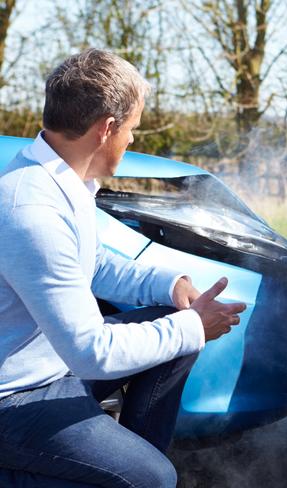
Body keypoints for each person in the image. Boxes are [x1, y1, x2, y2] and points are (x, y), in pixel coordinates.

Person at [0, 48, 247, 487]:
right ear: (106, 128)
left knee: (175, 327)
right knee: (153, 479)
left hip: (52, 371)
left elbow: (90, 265)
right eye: (132, 128)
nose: (133, 140)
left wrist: (169, 286)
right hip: (15, 400)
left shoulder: (61, 181)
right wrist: (194, 326)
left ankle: (120, 468)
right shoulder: (30, 207)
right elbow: (90, 352)